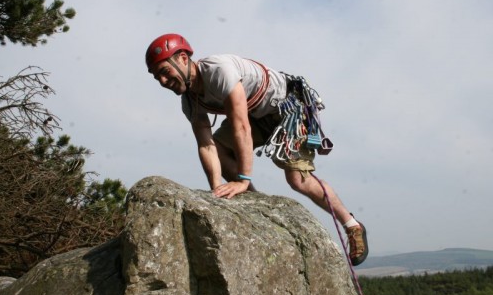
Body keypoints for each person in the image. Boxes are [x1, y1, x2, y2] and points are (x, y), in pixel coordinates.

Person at [145, 33, 368, 266]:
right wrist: (216, 189)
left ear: (182, 58)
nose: (162, 81)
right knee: (220, 147)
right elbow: (206, 144)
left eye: (164, 71)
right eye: (156, 77)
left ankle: (352, 225)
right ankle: (256, 205)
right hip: (255, 115)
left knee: (298, 179)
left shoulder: (218, 71)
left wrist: (242, 179)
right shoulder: (190, 101)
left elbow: (241, 127)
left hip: (286, 108)